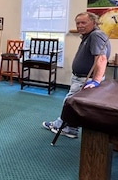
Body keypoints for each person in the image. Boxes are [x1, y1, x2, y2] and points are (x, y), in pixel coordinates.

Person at [42, 11, 110, 139]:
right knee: (73, 105)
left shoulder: (96, 35)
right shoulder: (88, 36)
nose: (80, 25)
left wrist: (95, 80)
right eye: (78, 23)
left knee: (69, 103)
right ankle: (68, 127)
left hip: (86, 79)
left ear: (94, 22)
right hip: (81, 77)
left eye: (83, 22)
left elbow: (101, 58)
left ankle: (65, 127)